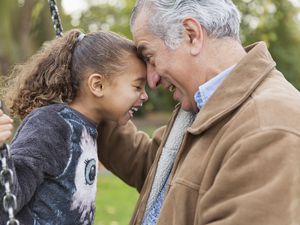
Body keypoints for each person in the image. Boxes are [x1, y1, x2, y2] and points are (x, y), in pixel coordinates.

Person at [97, 0, 300, 225]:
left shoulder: (268, 129)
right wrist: (95, 100)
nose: (152, 80)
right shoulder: (204, 103)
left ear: (191, 35)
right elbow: (158, 170)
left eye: (149, 57)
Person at [0, 29, 148, 225]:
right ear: (98, 85)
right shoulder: (50, 125)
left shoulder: (88, 127)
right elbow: (11, 194)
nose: (144, 95)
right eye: (137, 87)